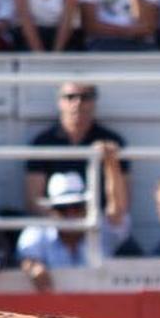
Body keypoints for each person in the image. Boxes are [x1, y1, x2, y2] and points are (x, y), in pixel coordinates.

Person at [17, 165, 137, 290]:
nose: (71, 214)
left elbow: (117, 213)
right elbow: (27, 257)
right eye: (62, 209)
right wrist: (33, 267)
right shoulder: (37, 232)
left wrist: (111, 163)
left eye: (76, 206)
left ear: (86, 208)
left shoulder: (101, 231)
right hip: (54, 308)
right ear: (50, 211)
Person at [25, 81, 129, 220]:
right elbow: (34, 201)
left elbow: (121, 207)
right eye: (70, 97)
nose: (78, 102)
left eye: (85, 97)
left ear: (94, 102)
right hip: (57, 223)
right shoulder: (43, 143)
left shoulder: (111, 141)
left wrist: (110, 162)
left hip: (100, 221)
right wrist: (67, 224)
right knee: (31, 240)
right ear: (59, 102)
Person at [77, 0, 160, 50]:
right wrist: (130, 32)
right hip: (100, 44)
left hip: (141, 45)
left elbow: (147, 27)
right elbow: (91, 27)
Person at [12, 0, 82, 51]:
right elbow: (24, 17)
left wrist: (57, 53)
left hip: (64, 36)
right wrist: (38, 53)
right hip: (30, 35)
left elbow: (67, 19)